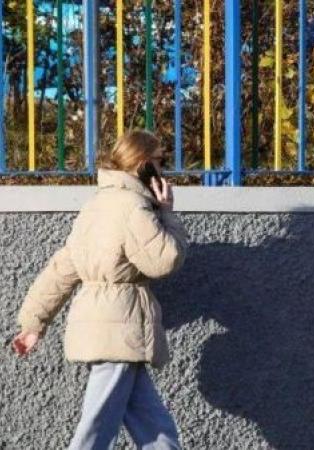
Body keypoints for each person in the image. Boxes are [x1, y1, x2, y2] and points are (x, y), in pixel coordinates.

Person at [11, 130, 189, 449]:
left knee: (156, 429)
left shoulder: (93, 208)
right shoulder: (134, 208)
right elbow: (166, 259)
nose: (165, 170)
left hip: (111, 330)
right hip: (119, 330)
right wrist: (167, 212)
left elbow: (61, 269)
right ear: (145, 164)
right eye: (162, 161)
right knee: (95, 430)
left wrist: (33, 322)